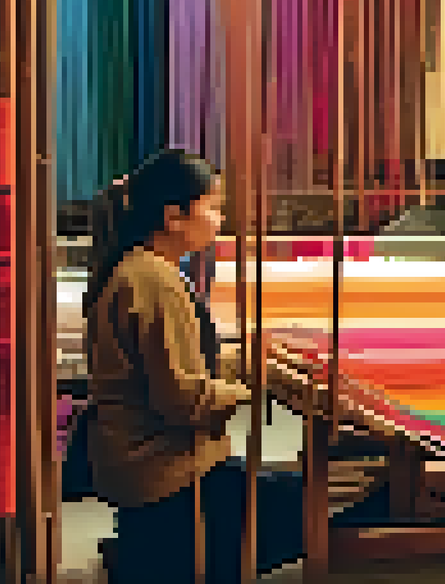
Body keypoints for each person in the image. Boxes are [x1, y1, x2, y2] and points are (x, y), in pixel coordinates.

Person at [83, 149, 299, 584]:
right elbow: (183, 400)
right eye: (213, 207)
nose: (220, 220)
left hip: (140, 465)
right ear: (173, 217)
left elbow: (178, 365)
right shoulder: (154, 282)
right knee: (305, 507)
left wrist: (249, 363)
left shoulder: (138, 269)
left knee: (283, 488)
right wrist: (254, 387)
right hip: (168, 472)